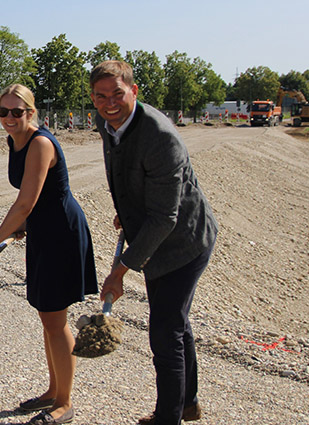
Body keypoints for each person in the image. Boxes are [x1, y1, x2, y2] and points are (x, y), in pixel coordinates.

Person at [90, 60, 218, 425]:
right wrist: (126, 209)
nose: (109, 102)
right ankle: (188, 404)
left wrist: (120, 271)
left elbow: (166, 217)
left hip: (184, 241)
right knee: (173, 322)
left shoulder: (161, 138)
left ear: (134, 90)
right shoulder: (105, 121)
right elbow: (119, 167)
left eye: (117, 93)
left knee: (165, 331)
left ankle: (168, 418)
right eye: (101, 96)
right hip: (153, 232)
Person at [0, 84, 97, 425]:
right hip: (43, 230)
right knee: (48, 318)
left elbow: (25, 202)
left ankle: (64, 403)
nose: (10, 118)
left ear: (32, 112)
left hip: (61, 233)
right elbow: (33, 201)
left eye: (18, 111)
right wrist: (20, 228)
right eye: (4, 112)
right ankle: (52, 390)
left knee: (56, 321)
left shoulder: (41, 143)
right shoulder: (15, 141)